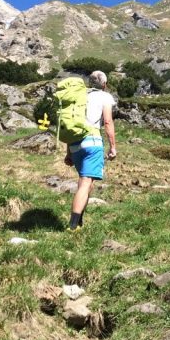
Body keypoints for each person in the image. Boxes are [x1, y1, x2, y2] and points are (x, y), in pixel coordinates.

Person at [67, 70, 117, 230]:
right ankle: (73, 226)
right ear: (104, 84)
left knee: (85, 181)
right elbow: (108, 122)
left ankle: (79, 222)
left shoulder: (79, 96)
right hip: (92, 142)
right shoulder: (104, 96)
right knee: (86, 183)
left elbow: (72, 124)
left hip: (74, 143)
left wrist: (68, 153)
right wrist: (113, 147)